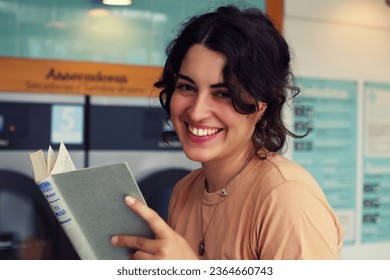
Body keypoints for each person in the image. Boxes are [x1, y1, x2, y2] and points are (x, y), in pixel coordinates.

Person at [111, 4, 343, 260]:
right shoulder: (184, 191)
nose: (197, 112)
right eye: (187, 87)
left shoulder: (287, 197)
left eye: (223, 93)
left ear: (262, 106)